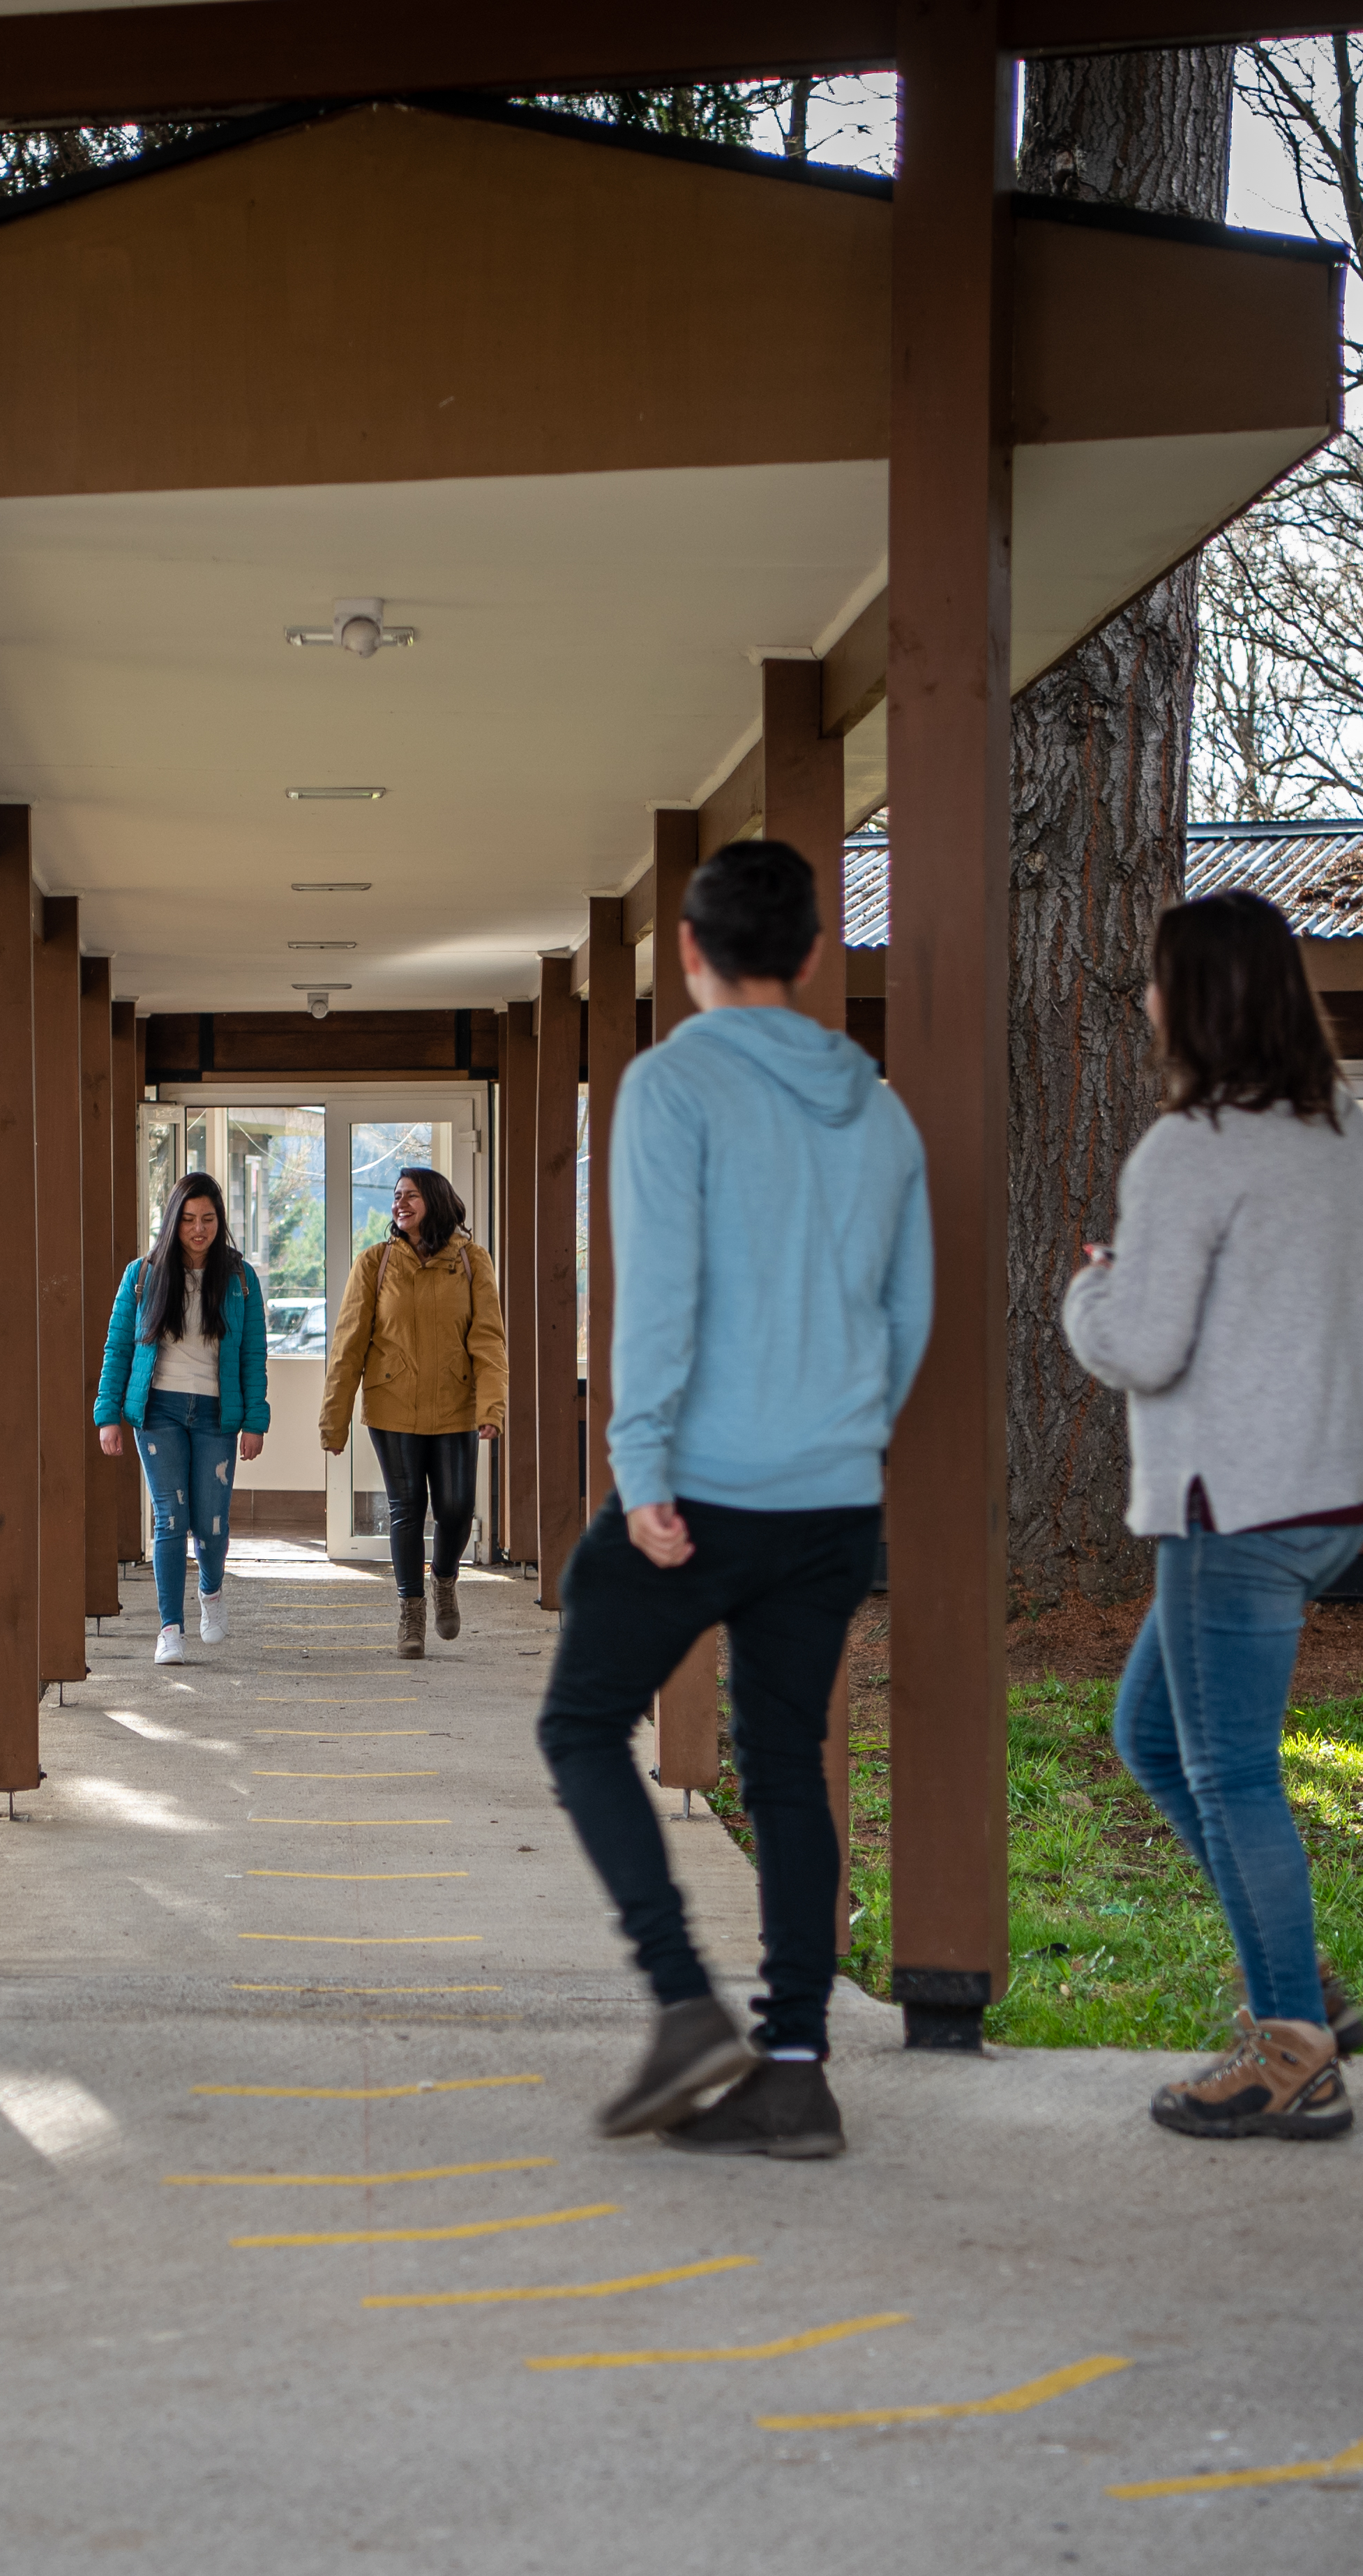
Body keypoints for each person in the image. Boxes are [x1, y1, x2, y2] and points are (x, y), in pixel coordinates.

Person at [547, 841, 928, 2160]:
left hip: (702, 1490)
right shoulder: (879, 1111)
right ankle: (797, 2071)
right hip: (830, 1496)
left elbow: (658, 1292)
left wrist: (641, 1471)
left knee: (582, 1718)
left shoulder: (674, 1084)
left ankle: (681, 2002)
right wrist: (846, 1437)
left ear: (691, 956)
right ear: (817, 955)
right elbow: (907, 1307)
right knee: (785, 1768)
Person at [1061, 890, 1363, 2143]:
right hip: (1338, 1493)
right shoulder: (1344, 1133)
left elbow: (1144, 1346)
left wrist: (1088, 1300)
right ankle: (1297, 1976)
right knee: (1151, 1731)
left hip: (1235, 1507)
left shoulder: (1191, 1147)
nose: (1147, 1005)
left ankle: (1291, 2051)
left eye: (1157, 984)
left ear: (1197, 999)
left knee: (1228, 1769)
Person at [317, 1165, 508, 1658]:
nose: (400, 1204)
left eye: (411, 1196)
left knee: (456, 1509)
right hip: (392, 1408)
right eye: (397, 1196)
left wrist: (491, 1406)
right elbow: (349, 1345)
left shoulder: (472, 1261)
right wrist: (334, 1419)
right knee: (406, 1510)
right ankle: (411, 1612)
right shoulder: (375, 1263)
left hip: (455, 1406)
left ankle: (445, 1578)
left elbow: (488, 1339)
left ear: (437, 1202)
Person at [96, 1172, 271, 1667]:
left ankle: (211, 1593)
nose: (199, 1229)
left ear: (220, 1222)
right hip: (159, 1412)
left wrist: (256, 1421)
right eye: (189, 1219)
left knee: (211, 1523)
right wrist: (108, 1415)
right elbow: (118, 1350)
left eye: (208, 1219)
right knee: (171, 1519)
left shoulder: (240, 1279)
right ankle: (169, 1629)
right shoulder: (143, 1275)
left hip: (218, 1413)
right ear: (174, 1221)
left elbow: (254, 1355)